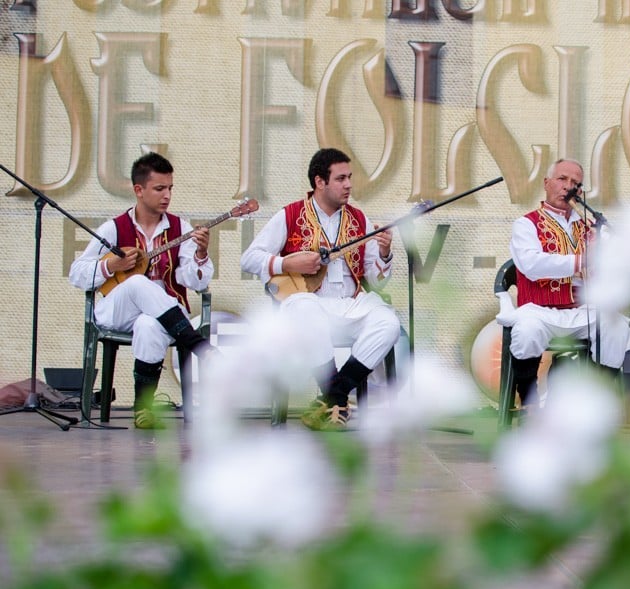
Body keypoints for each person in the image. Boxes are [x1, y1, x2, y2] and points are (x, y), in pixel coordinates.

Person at [240, 148, 400, 430]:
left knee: (388, 322)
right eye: (340, 178)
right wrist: (287, 262)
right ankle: (335, 398)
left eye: (349, 177)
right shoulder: (289, 216)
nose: (349, 184)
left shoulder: (359, 219)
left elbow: (376, 280)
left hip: (350, 304)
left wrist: (385, 254)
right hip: (308, 306)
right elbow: (249, 259)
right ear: (319, 182)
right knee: (305, 307)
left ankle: (333, 395)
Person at [69, 152, 212, 429]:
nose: (167, 195)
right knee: (136, 283)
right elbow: (77, 274)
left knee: (149, 323)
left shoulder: (179, 228)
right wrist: (112, 264)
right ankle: (198, 345)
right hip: (119, 309)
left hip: (165, 312)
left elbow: (196, 282)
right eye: (159, 188)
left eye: (170, 188)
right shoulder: (113, 228)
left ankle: (143, 408)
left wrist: (201, 254)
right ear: (139, 190)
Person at [507, 158, 630, 410]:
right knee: (527, 331)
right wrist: (580, 261)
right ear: (547, 183)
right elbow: (531, 264)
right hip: (539, 309)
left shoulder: (591, 227)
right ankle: (529, 402)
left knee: (615, 326)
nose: (568, 186)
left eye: (575, 183)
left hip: (581, 311)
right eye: (562, 179)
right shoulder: (526, 224)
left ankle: (598, 401)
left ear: (580, 192)